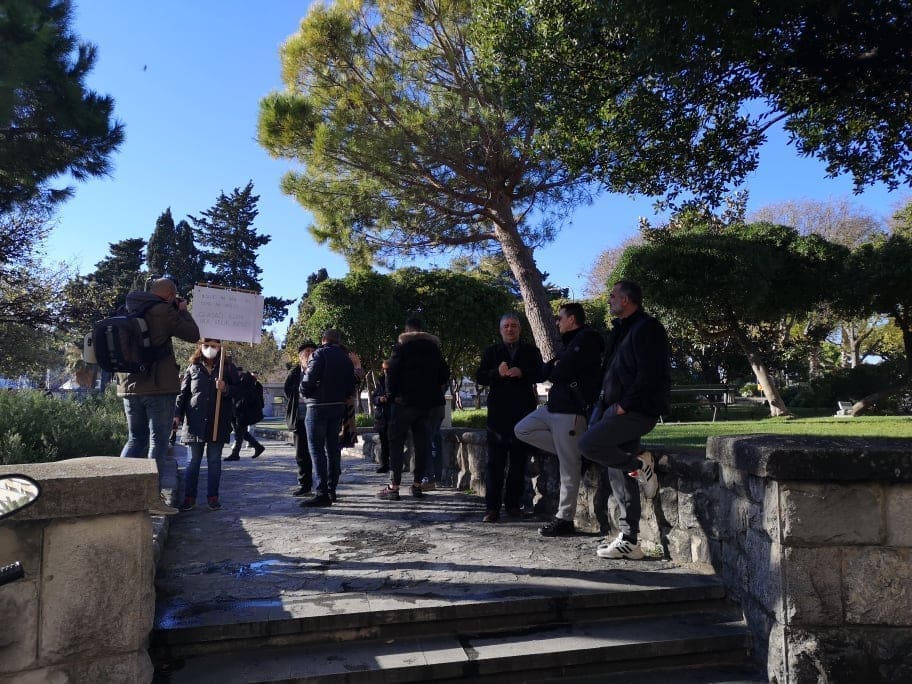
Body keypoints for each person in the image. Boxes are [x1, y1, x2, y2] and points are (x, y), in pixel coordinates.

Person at [579, 280, 671, 559]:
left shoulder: (648, 328)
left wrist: (624, 405)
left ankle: (641, 463)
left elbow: (650, 373)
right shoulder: (621, 330)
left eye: (613, 296)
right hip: (613, 407)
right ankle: (629, 540)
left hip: (635, 410)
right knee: (618, 474)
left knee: (589, 445)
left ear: (627, 300)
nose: (609, 300)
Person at [514, 303, 604, 536]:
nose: (557, 322)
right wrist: (556, 366)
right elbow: (546, 372)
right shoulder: (569, 343)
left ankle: (564, 519)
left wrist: (557, 367)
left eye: (560, 318)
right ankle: (577, 452)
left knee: (568, 468)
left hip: (571, 413)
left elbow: (558, 373)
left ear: (572, 319)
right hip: (552, 408)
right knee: (522, 429)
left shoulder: (587, 339)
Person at [116, 277, 200, 516]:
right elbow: (193, 334)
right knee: (158, 442)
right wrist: (183, 311)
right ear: (171, 295)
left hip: (129, 386)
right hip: (158, 386)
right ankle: (152, 498)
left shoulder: (128, 307)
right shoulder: (163, 310)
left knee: (135, 440)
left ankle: (121, 493)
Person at [475, 313, 543, 523]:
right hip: (498, 416)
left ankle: (513, 505)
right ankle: (491, 508)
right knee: (494, 464)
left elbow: (541, 374)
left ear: (520, 329)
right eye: (506, 326)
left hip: (524, 414)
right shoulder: (492, 352)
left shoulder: (531, 351)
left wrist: (522, 372)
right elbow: (480, 377)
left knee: (518, 463)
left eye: (514, 326)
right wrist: (498, 373)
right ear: (500, 329)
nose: (510, 329)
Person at [378, 318, 450, 501]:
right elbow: (445, 374)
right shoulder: (434, 350)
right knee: (421, 444)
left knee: (396, 443)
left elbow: (392, 374)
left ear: (407, 330)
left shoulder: (401, 349)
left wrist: (392, 395)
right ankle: (417, 485)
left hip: (403, 404)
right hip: (426, 406)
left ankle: (394, 487)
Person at [173, 339, 239, 511]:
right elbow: (183, 394)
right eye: (206, 345)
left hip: (218, 423)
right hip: (195, 424)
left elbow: (240, 391)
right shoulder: (193, 368)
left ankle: (213, 497)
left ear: (220, 347)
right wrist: (176, 415)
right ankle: (189, 497)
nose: (210, 349)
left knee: (214, 461)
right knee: (193, 462)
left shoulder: (228, 368)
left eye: (214, 346)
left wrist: (225, 389)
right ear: (200, 347)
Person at [299, 329, 358, 507]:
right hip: (337, 408)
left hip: (317, 407)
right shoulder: (345, 358)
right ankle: (332, 490)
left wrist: (304, 391)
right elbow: (350, 387)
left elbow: (308, 381)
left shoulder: (319, 354)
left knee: (317, 450)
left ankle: (322, 492)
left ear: (323, 339)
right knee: (333, 450)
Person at [284, 341, 317, 496]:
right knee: (301, 454)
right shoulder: (295, 372)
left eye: (312, 350)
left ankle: (326, 485)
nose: (309, 353)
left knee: (319, 453)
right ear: (300, 356)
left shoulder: (320, 368)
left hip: (317, 417)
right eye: (307, 351)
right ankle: (304, 484)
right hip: (300, 417)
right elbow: (287, 390)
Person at [225, 368, 265, 461]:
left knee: (239, 433)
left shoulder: (246, 382)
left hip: (243, 412)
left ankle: (235, 454)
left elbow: (244, 397)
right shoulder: (241, 381)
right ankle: (258, 446)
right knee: (241, 432)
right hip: (236, 411)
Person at [338, 349, 365, 448]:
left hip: (344, 414)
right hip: (342, 412)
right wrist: (357, 365)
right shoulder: (339, 367)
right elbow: (354, 380)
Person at [371, 359, 392, 473]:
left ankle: (395, 465)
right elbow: (374, 398)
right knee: (383, 442)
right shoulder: (381, 381)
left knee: (394, 442)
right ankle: (385, 465)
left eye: (387, 369)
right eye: (384, 369)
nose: (385, 371)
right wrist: (380, 399)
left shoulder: (397, 381)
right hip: (382, 417)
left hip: (393, 416)